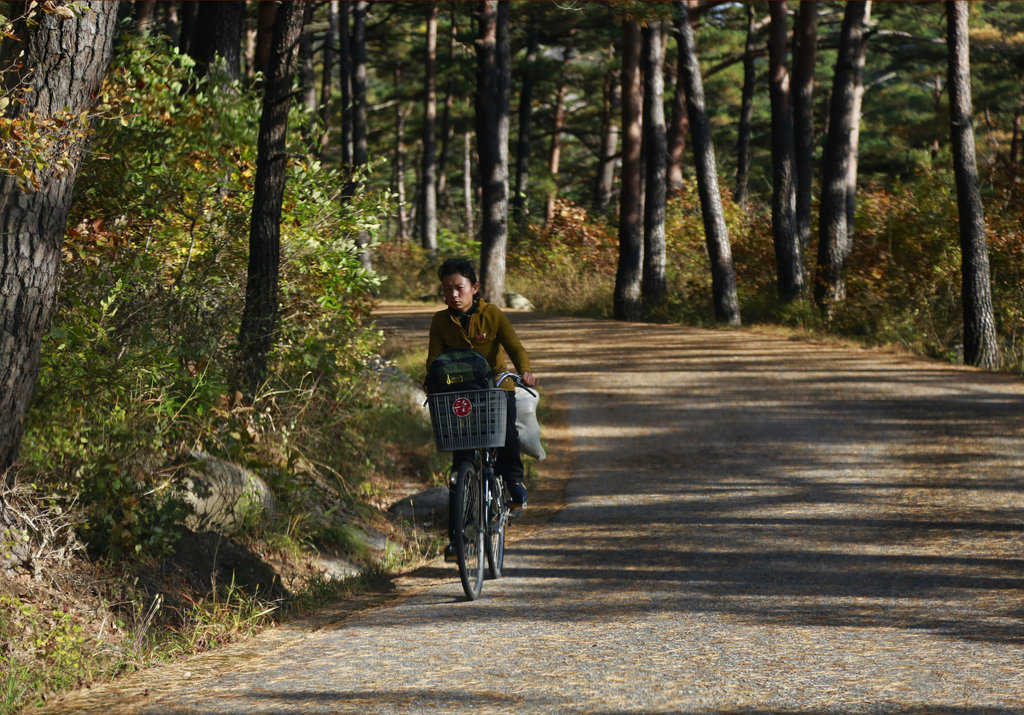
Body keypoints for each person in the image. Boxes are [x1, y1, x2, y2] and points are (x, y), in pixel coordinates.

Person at [426, 258, 537, 561]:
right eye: (447, 289)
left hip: (496, 389)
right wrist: (431, 384)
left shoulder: (493, 315)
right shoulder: (440, 321)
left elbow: (515, 347)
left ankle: (514, 482)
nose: (453, 295)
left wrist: (524, 371)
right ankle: (456, 540)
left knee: (507, 435)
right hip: (459, 396)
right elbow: (434, 359)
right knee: (459, 467)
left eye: (459, 288)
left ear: (474, 288)